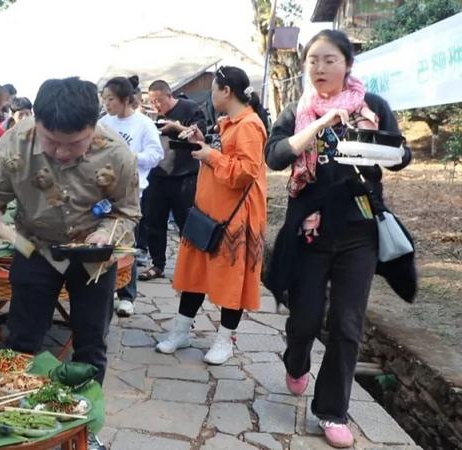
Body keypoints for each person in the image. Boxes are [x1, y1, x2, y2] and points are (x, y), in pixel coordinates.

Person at [0, 77, 140, 450]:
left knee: (90, 344)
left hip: (92, 256)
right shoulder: (15, 143)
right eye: (51, 142)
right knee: (22, 340)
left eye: (74, 144)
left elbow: (127, 212)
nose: (61, 153)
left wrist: (105, 234)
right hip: (34, 248)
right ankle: (16, 420)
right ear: (37, 123)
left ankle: (83, 428)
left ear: (93, 127)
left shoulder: (116, 154)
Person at [264, 30, 412, 448]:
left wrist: (384, 144)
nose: (320, 67)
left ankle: (331, 410)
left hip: (359, 231)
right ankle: (296, 362)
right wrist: (319, 124)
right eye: (313, 60)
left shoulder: (372, 105)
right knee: (305, 319)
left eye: (330, 60)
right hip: (310, 232)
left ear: (347, 64)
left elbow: (401, 156)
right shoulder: (297, 110)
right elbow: (275, 156)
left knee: (348, 324)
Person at [156, 66, 268, 366]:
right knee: (195, 274)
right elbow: (223, 154)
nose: (211, 95)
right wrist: (200, 141)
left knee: (232, 280)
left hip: (234, 218)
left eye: (213, 89)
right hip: (209, 212)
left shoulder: (249, 125)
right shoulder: (228, 122)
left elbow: (245, 172)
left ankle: (225, 340)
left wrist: (210, 156)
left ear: (226, 91)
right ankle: (181, 331)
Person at [98, 75, 163, 317]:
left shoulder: (143, 124)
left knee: (127, 243)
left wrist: (132, 157)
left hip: (131, 193)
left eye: (111, 99)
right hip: (102, 192)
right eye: (104, 99)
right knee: (102, 241)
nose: (107, 104)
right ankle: (105, 290)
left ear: (126, 99)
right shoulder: (103, 123)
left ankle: (127, 295)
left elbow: (156, 155)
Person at [139, 80, 210, 281]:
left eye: (158, 101)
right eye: (152, 101)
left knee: (186, 223)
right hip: (156, 174)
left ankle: (192, 266)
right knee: (155, 222)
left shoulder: (189, 108)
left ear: (169, 95)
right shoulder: (149, 116)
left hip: (184, 175)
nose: (155, 106)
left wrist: (176, 127)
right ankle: (157, 264)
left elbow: (200, 136)